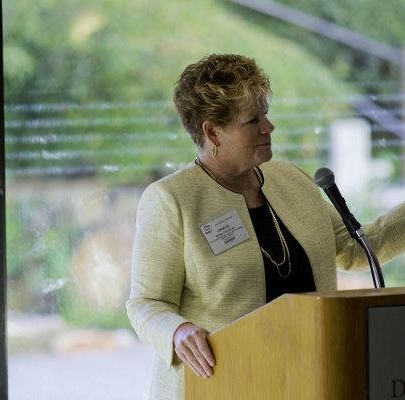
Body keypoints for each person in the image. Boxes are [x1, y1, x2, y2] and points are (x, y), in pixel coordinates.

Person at [126, 54, 405, 400]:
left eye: (266, 114)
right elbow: (146, 303)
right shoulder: (171, 199)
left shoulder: (292, 180)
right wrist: (178, 331)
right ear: (212, 131)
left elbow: (356, 250)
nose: (268, 127)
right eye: (252, 120)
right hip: (219, 386)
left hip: (310, 377)